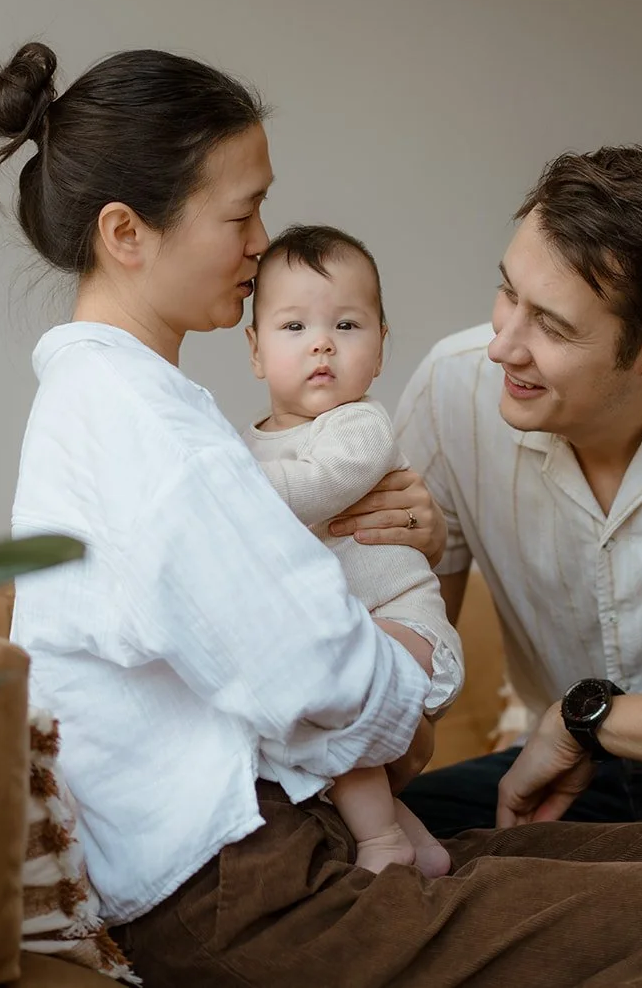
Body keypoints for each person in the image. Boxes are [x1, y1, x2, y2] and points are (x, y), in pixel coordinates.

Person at [0, 41, 642, 987]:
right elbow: (313, 673)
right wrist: (416, 666)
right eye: (242, 214)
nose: (262, 243)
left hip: (279, 842)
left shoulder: (141, 407)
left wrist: (403, 591)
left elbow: (312, 645)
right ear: (126, 233)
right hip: (238, 883)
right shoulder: (144, 428)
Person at [388, 146, 642, 935]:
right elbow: (399, 664)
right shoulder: (452, 389)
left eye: (550, 324)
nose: (503, 345)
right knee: (344, 838)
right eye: (508, 293)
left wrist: (589, 720)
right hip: (566, 779)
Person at [243, 224, 462, 877]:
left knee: (325, 681)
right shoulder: (245, 449)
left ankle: (382, 842)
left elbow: (316, 486)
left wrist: (217, 490)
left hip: (404, 625)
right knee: (294, 723)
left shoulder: (359, 427)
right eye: (293, 327)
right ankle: (418, 842)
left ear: (381, 348)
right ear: (255, 350)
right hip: (354, 635)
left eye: (346, 325)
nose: (321, 343)